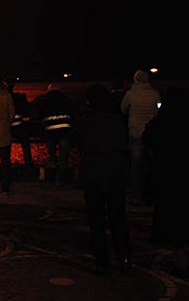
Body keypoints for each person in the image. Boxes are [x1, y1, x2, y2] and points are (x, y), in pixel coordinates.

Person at [144, 87, 189, 278]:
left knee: (174, 222)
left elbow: (148, 140)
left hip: (169, 178)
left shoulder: (162, 123)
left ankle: (180, 263)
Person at [70, 83, 131, 275]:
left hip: (93, 175)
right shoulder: (119, 121)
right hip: (116, 174)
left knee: (96, 219)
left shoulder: (84, 122)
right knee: (118, 217)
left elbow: (73, 142)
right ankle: (123, 256)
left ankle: (101, 258)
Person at [120, 70, 161, 205]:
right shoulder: (155, 94)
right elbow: (159, 109)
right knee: (149, 164)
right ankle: (150, 193)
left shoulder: (130, 94)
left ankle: (136, 194)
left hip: (135, 133)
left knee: (136, 166)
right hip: (152, 134)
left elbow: (123, 109)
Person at [37, 83, 75, 185]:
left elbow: (39, 115)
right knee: (64, 157)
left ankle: (51, 179)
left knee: (52, 156)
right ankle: (61, 180)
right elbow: (73, 113)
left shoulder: (44, 100)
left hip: (50, 131)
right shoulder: (67, 99)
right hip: (65, 131)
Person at [6, 78, 35, 173]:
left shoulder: (2, 98)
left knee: (5, 146)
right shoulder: (19, 98)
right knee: (25, 142)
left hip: (5, 130)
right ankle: (28, 163)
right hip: (18, 128)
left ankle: (6, 164)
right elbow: (26, 115)